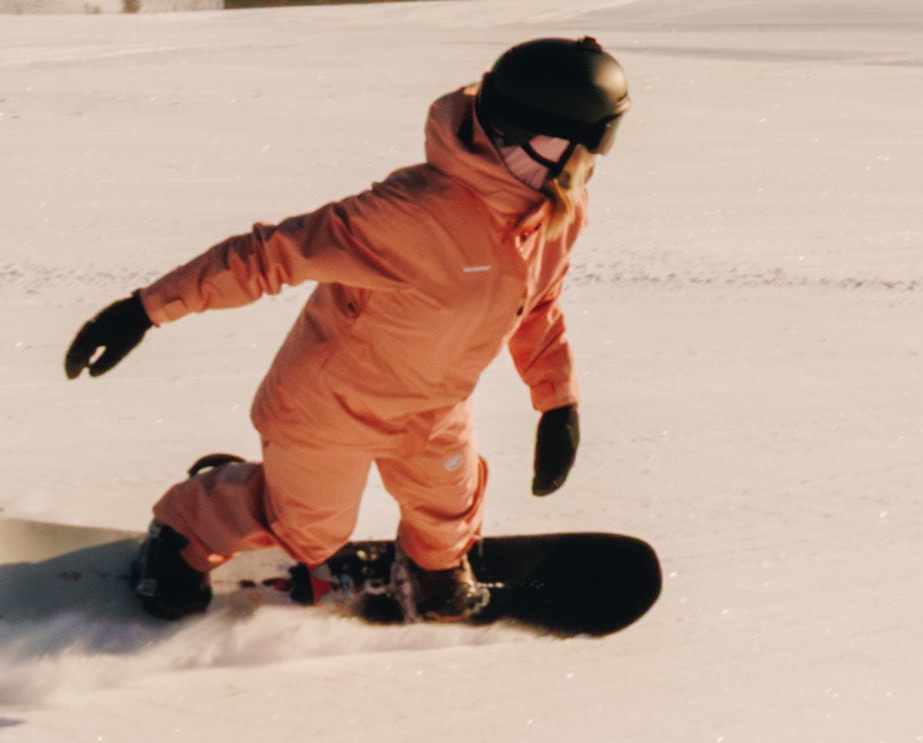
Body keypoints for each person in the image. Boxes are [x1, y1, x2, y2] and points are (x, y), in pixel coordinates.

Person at [63, 32, 620, 622]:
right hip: (331, 405)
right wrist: (144, 309)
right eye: (581, 146)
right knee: (309, 533)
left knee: (448, 507)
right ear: (532, 137)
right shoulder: (411, 212)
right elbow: (270, 255)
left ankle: (433, 573)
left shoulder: (558, 209)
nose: (589, 163)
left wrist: (557, 402)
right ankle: (190, 522)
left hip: (434, 406)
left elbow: (537, 305)